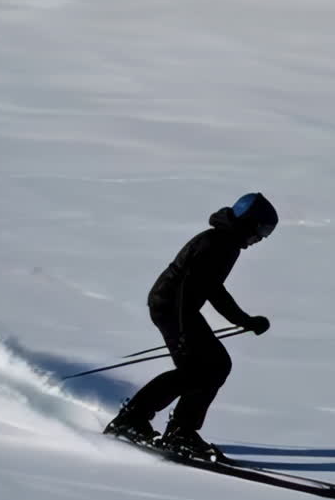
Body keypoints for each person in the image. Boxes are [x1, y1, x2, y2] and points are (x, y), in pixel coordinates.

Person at [104, 192, 278, 459]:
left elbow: (212, 288)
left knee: (211, 367)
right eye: (263, 230)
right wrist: (184, 331)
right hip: (172, 308)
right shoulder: (217, 243)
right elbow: (190, 288)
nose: (262, 238)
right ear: (248, 222)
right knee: (202, 369)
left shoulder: (225, 242)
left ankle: (168, 427)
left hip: (178, 309)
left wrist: (245, 320)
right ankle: (145, 422)